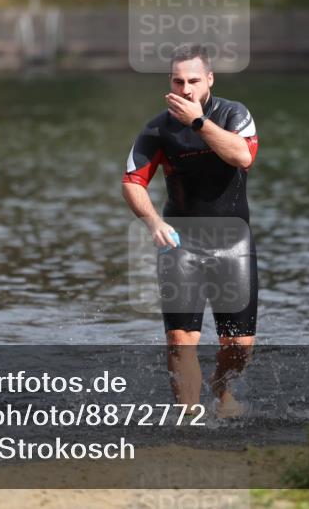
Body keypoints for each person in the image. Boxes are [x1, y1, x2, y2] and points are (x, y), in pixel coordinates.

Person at [122, 44, 259, 418]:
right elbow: (132, 181)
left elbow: (242, 156)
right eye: (178, 81)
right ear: (170, 82)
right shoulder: (157, 129)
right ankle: (190, 422)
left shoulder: (234, 114)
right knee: (180, 342)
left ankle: (221, 387)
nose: (185, 89)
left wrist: (198, 123)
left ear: (209, 80)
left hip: (233, 243)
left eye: (193, 81)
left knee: (239, 345)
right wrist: (152, 222)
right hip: (180, 244)